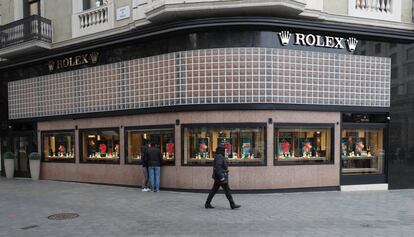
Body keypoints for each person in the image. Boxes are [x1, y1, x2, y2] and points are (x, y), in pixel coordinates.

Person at [205, 143, 241, 209]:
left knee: (214, 191)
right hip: (221, 177)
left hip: (218, 177)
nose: (224, 150)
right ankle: (232, 204)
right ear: (221, 150)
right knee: (227, 191)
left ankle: (207, 203)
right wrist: (222, 177)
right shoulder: (219, 156)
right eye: (223, 149)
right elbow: (218, 167)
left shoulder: (219, 155)